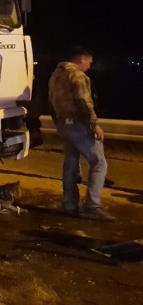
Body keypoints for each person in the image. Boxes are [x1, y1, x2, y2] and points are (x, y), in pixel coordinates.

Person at [48, 46, 114, 221]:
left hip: (64, 125)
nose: (89, 66)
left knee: (71, 164)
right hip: (78, 124)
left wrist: (59, 123)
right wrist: (94, 124)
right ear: (81, 59)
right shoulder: (78, 76)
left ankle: (69, 205)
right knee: (99, 163)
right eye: (89, 62)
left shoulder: (55, 76)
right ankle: (93, 207)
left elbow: (51, 102)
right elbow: (84, 102)